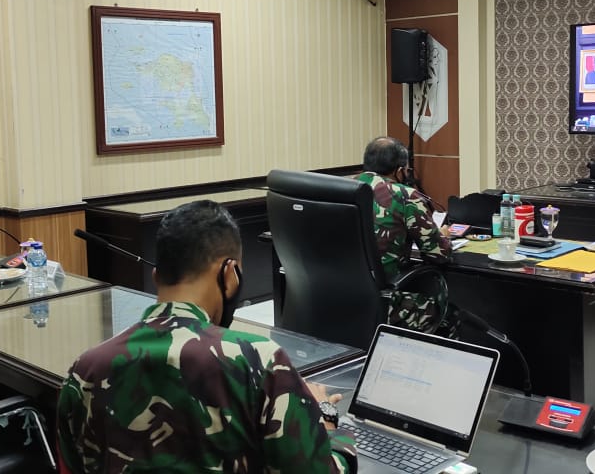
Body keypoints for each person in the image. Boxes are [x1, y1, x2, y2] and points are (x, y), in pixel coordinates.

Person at [57, 200, 356, 473]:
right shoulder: (258, 361)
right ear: (230, 273)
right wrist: (327, 419)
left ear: (157, 276)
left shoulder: (85, 371)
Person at [356, 136, 458, 337]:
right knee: (448, 313)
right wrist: (443, 235)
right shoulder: (405, 196)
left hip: (334, 296)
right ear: (399, 170)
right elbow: (439, 254)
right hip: (382, 300)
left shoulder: (342, 188)